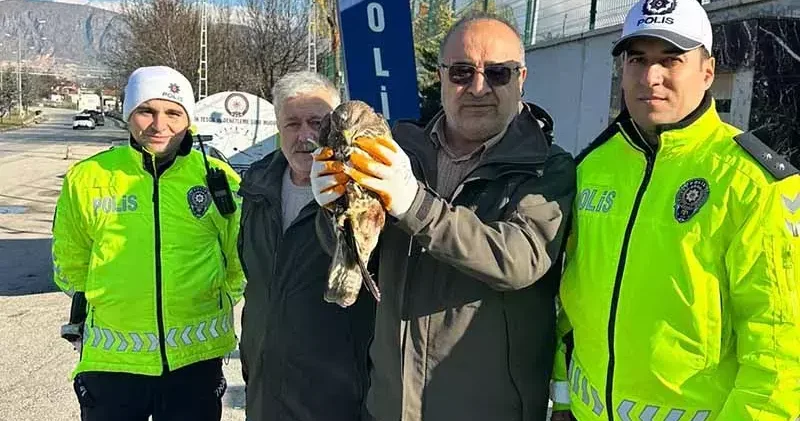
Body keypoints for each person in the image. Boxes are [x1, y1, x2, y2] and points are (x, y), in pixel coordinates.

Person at [311, 12, 576, 421]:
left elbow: (517, 260)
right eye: (462, 72)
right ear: (441, 76)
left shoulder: (547, 167)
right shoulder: (398, 149)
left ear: (521, 78)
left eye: (498, 73)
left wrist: (414, 204)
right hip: (390, 406)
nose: (478, 88)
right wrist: (335, 211)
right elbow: (356, 258)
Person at [551, 0, 800, 420]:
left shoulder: (754, 184)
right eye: (637, 59)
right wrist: (562, 402)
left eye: (671, 60)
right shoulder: (592, 166)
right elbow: (570, 305)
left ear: (708, 72)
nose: (651, 77)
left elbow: (779, 356)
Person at [52, 66, 244, 421]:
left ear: (189, 120)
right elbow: (70, 260)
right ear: (128, 114)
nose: (159, 125)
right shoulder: (87, 178)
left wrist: (219, 296)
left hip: (195, 361)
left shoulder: (219, 179)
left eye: (173, 113)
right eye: (146, 111)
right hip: (112, 363)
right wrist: (103, 301)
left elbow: (239, 257)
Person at [237, 71, 376, 421]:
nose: (305, 136)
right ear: (278, 127)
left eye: (317, 122)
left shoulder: (362, 194)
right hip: (265, 392)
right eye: (292, 124)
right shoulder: (256, 186)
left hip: (336, 398)